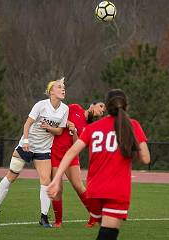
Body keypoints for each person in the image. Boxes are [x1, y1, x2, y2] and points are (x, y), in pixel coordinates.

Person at [48, 89, 150, 240]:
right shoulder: (132, 125)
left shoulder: (91, 128)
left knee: (108, 231)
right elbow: (146, 159)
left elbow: (71, 152)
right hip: (116, 190)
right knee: (108, 234)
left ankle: (86, 219)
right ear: (126, 106)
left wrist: (56, 180)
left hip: (94, 191)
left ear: (107, 107)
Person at [0, 77, 69, 228]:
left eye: (64, 87)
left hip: (43, 150)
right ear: (51, 91)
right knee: (11, 176)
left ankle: (44, 217)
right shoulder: (41, 105)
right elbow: (27, 124)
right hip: (27, 146)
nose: (63, 89)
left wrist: (49, 128)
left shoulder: (65, 109)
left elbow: (59, 131)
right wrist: (25, 141)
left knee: (46, 181)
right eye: (59, 87)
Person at [51, 101, 106, 228]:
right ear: (92, 105)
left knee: (78, 186)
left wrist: (74, 131)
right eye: (101, 106)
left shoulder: (89, 127)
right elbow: (59, 115)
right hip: (56, 153)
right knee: (57, 189)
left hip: (71, 156)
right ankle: (58, 221)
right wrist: (65, 123)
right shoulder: (74, 108)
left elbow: (77, 144)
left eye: (103, 111)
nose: (101, 111)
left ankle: (94, 217)